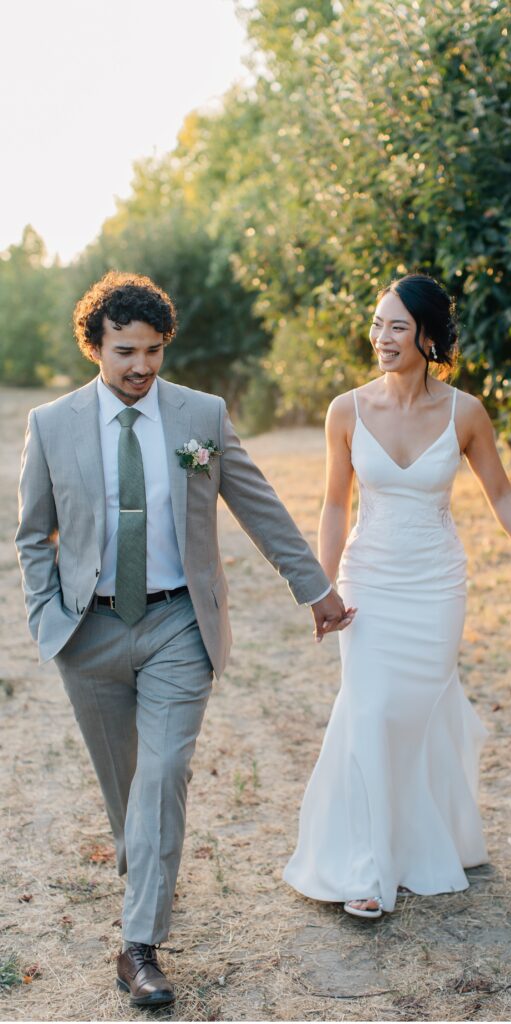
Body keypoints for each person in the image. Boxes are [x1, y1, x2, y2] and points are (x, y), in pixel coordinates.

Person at [15, 271, 354, 1006]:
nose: (141, 366)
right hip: (90, 631)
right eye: (126, 351)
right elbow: (32, 533)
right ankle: (145, 877)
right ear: (94, 346)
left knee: (163, 777)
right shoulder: (52, 425)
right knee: (127, 790)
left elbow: (258, 505)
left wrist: (315, 588)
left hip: (178, 624)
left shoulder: (200, 415)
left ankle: (139, 947)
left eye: (154, 351)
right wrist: (49, 615)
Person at [284, 272, 511, 919]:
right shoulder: (346, 410)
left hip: (436, 586)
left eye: (395, 326)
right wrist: (320, 585)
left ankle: (426, 837)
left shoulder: (464, 412)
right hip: (369, 581)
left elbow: (500, 494)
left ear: (426, 335)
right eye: (376, 324)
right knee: (369, 710)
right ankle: (366, 868)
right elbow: (335, 505)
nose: (380, 337)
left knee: (413, 716)